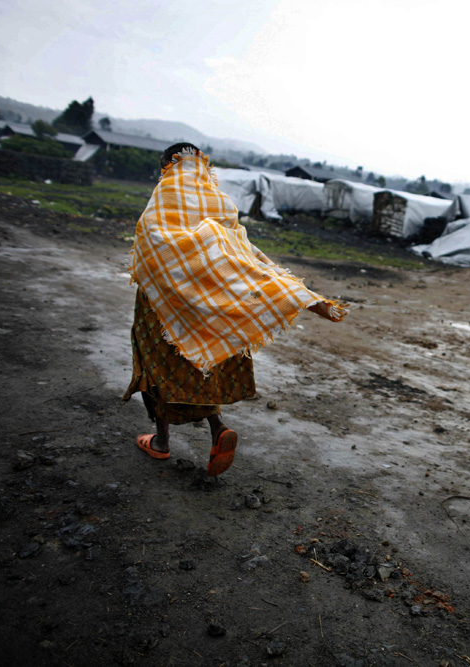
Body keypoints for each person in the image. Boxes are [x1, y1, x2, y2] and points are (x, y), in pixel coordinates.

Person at [122, 143, 348, 476]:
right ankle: (217, 428)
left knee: (157, 366)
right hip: (208, 306)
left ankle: (161, 442)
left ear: (166, 166)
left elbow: (151, 246)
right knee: (200, 363)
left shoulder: (163, 200)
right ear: (202, 166)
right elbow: (240, 252)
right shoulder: (220, 203)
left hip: (164, 306)